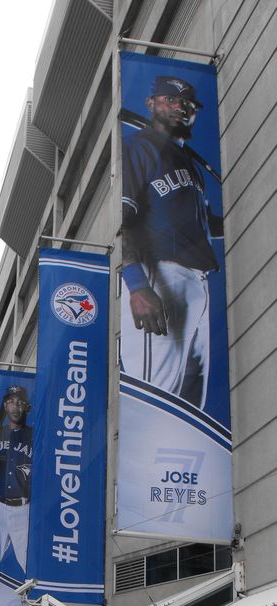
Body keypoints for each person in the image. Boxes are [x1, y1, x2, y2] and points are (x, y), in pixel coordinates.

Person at [120, 75, 223, 410]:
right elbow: (124, 222)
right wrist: (136, 284)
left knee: (192, 411)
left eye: (187, 103)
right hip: (159, 277)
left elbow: (205, 224)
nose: (181, 107)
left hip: (199, 282)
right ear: (151, 103)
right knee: (155, 401)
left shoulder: (188, 165)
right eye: (171, 99)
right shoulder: (138, 147)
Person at [0, 385, 33, 574]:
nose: (15, 406)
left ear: (25, 407)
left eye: (20, 403)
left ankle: (35, 603)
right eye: (11, 402)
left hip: (24, 507)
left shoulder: (34, 436)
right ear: (5, 405)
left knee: (29, 562)